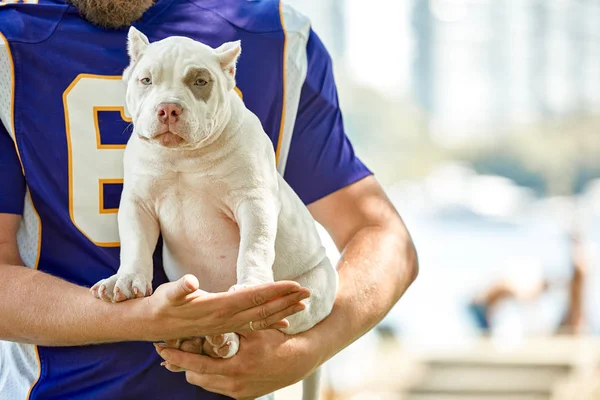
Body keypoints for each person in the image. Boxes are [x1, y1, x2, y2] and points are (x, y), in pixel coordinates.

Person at [0, 1, 418, 399]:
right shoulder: (8, 43)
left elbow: (381, 234)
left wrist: (308, 349)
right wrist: (138, 319)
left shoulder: (280, 37)